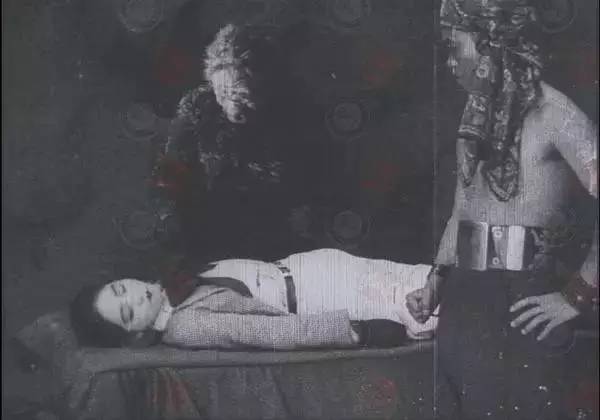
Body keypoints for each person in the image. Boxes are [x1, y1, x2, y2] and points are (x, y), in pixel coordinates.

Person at [406, 1, 598, 419]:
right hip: (464, 303)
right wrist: (436, 281)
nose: (449, 62)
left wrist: (578, 294)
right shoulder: (475, 120)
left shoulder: (556, 113)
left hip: (526, 305)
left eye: (454, 47)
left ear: (490, 46)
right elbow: (463, 207)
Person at [151, 23, 346, 261]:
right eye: (223, 94)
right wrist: (170, 215)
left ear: (264, 84)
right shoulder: (198, 110)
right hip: (211, 229)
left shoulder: (295, 112)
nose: (232, 106)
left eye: (241, 95)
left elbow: (319, 174)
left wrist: (308, 214)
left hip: (277, 234)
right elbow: (171, 172)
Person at [70, 249, 436, 350]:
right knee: (434, 305)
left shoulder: (171, 286)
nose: (135, 297)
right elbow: (266, 333)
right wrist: (359, 332)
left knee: (431, 278)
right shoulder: (185, 325)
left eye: (121, 289)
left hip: (312, 269)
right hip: (323, 297)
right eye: (127, 313)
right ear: (136, 333)